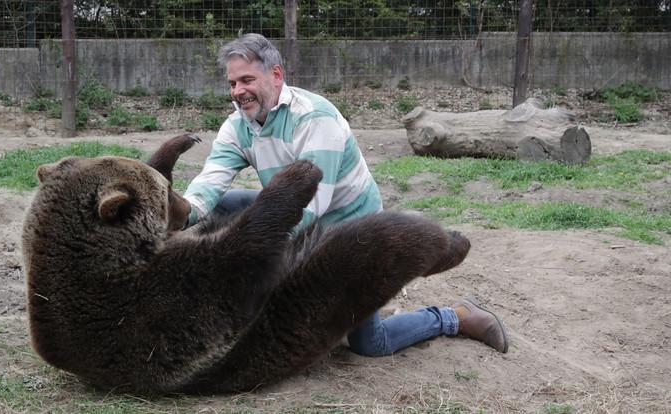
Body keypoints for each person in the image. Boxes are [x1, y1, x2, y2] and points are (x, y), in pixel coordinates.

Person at [182, 33, 508, 356]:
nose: (238, 92)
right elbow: (210, 181)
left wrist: (248, 256)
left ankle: (454, 317)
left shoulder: (315, 118)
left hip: (351, 233)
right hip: (291, 213)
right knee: (224, 205)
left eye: (246, 80)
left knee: (371, 344)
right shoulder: (238, 125)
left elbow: (311, 207)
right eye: (232, 84)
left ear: (276, 75)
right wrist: (182, 212)